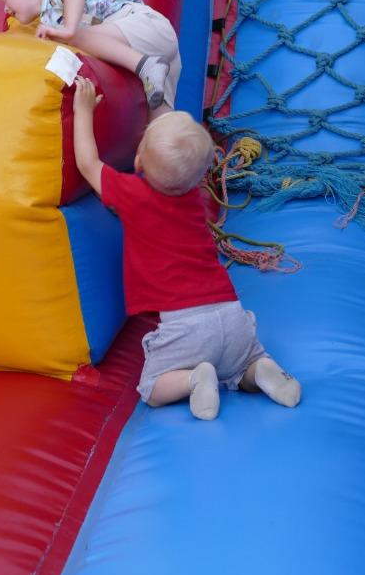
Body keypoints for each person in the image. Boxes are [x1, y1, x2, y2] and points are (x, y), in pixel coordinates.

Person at [72, 75, 302, 420]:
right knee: (242, 366)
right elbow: (177, 152)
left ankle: (194, 378)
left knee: (151, 388)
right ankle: (261, 370)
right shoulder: (196, 199)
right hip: (232, 315)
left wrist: (83, 110)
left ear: (138, 162)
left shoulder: (134, 195)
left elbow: (87, 164)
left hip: (184, 326)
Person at [0, 0, 180, 115]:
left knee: (69, 38)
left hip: (142, 23)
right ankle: (151, 74)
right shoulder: (48, 18)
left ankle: (145, 65)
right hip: (153, 48)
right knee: (160, 125)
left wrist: (69, 29)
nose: (6, 9)